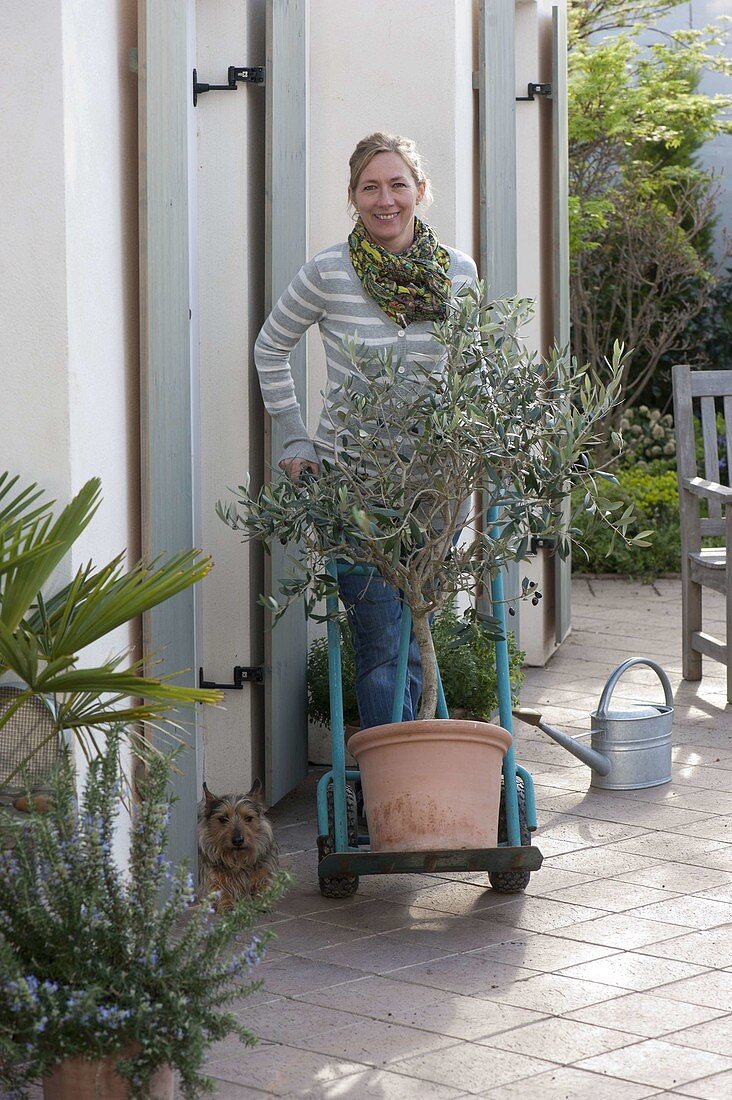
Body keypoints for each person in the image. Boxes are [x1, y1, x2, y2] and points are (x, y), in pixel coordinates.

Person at [254, 132, 477, 730]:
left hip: (437, 493)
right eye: (370, 187)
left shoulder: (457, 272)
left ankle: (412, 782)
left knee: (417, 635)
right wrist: (298, 435)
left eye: (398, 184)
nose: (386, 199)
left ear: (420, 192)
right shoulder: (329, 271)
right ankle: (390, 798)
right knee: (382, 645)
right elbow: (271, 347)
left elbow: (473, 368)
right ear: (353, 197)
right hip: (354, 490)